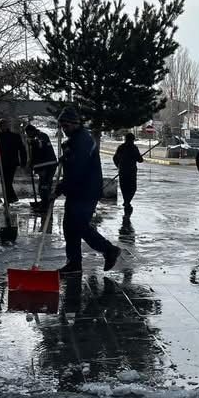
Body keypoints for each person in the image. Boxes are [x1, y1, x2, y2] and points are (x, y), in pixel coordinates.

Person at [53, 106, 121, 274]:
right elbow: (74, 163)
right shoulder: (77, 140)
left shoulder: (81, 141)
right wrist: (66, 156)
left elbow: (77, 170)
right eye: (62, 127)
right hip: (79, 190)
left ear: (75, 124)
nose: (65, 130)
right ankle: (74, 263)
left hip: (85, 190)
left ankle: (108, 249)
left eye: (67, 126)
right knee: (69, 226)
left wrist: (59, 188)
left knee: (78, 225)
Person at [25, 124, 57, 212]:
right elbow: (34, 154)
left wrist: (32, 142)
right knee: (43, 185)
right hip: (43, 165)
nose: (27, 135)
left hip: (47, 165)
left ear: (31, 131)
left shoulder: (41, 137)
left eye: (28, 133)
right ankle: (44, 202)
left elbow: (40, 146)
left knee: (44, 186)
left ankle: (45, 205)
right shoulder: (37, 137)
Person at [112, 132, 144, 217]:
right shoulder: (134, 148)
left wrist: (118, 166)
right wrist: (140, 158)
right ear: (132, 140)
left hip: (122, 171)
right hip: (131, 171)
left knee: (124, 187)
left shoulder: (121, 147)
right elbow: (140, 160)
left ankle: (126, 201)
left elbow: (115, 158)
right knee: (132, 188)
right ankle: (127, 202)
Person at [0, 118, 27, 203]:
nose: (2, 127)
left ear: (7, 126)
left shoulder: (14, 136)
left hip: (11, 162)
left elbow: (22, 149)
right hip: (1, 162)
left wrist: (23, 161)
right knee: (5, 181)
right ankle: (11, 198)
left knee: (7, 181)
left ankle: (10, 199)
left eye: (3, 125)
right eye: (0, 126)